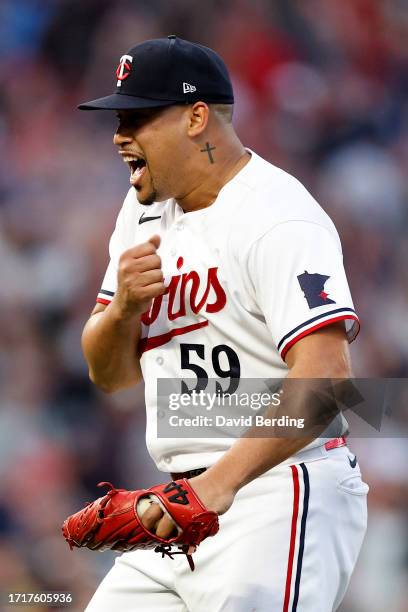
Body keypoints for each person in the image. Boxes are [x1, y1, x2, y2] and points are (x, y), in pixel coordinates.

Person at [78, 35, 368, 611]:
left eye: (135, 118)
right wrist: (122, 312)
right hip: (179, 499)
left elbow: (328, 378)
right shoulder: (141, 212)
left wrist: (217, 486)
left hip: (279, 488)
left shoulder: (277, 215)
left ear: (196, 117)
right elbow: (108, 375)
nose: (119, 137)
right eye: (117, 119)